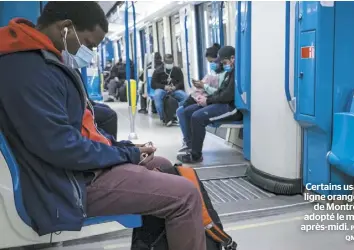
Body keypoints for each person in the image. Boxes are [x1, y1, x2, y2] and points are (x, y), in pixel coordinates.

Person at [0, 2, 206, 250]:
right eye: (88, 44)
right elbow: (62, 147)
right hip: (60, 184)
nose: (88, 52)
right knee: (185, 195)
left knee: (161, 165)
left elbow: (74, 132)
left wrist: (122, 148)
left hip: (68, 172)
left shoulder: (40, 61)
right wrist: (125, 154)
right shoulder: (30, 70)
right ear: (66, 28)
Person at [177, 46, 243, 163]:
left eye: (225, 62)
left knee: (198, 117)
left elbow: (227, 96)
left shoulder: (237, 73)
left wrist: (208, 101)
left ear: (233, 58)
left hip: (232, 108)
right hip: (223, 103)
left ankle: (196, 155)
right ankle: (191, 146)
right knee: (188, 111)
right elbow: (220, 92)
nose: (224, 65)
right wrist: (206, 99)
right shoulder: (230, 72)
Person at [177, 43, 226, 154]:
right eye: (210, 63)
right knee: (181, 109)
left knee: (185, 111)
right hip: (207, 97)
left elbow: (220, 93)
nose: (212, 65)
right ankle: (189, 142)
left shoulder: (225, 74)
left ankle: (191, 144)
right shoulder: (214, 73)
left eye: (213, 62)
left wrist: (204, 87)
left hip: (214, 100)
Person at [151, 54, 188, 125]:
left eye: (171, 62)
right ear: (164, 62)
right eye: (167, 63)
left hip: (175, 89)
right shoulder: (158, 71)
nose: (169, 64)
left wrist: (175, 87)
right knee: (157, 96)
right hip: (162, 89)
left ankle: (176, 113)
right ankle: (163, 117)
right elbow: (153, 84)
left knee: (185, 97)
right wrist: (164, 87)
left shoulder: (177, 70)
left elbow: (181, 82)